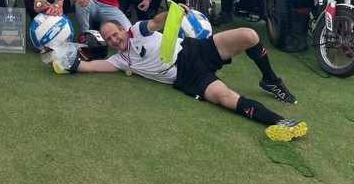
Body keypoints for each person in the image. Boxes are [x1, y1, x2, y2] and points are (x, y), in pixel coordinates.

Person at [52, 12, 305, 142]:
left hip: (194, 49)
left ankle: (270, 79)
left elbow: (156, 22)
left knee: (249, 35)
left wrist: (175, 14)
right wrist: (66, 63)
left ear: (122, 29)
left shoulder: (137, 30)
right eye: (109, 39)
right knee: (226, 98)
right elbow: (92, 67)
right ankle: (281, 122)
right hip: (188, 77)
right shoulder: (120, 60)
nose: (114, 39)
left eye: (115, 34)